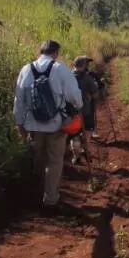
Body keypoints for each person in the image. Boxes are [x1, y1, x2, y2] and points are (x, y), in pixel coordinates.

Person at [13, 40, 83, 208]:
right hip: (56, 125)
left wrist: (19, 123)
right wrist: (78, 107)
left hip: (33, 125)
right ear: (56, 53)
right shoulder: (61, 69)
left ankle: (36, 193)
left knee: (39, 158)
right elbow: (74, 95)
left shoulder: (26, 69)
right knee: (54, 161)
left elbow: (19, 100)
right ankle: (50, 199)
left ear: (40, 51)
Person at [73, 55, 99, 139]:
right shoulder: (88, 78)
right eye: (87, 64)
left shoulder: (68, 76)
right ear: (84, 65)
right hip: (85, 109)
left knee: (74, 131)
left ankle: (76, 147)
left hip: (71, 110)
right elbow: (95, 95)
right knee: (87, 128)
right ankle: (86, 144)